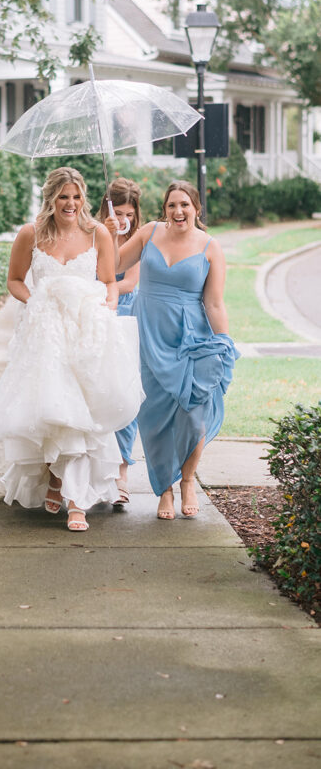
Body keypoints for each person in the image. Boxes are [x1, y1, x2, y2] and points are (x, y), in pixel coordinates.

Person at [0, 166, 144, 531]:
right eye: (63, 197)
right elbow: (14, 281)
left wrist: (105, 311)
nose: (70, 203)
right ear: (51, 198)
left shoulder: (97, 234)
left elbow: (109, 282)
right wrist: (36, 300)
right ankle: (54, 478)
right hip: (43, 333)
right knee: (50, 410)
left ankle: (78, 501)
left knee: (83, 415)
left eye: (75, 197)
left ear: (83, 198)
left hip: (84, 331)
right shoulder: (31, 234)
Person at [109, 180, 238, 520]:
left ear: (196, 208)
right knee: (153, 420)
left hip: (191, 338)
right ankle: (164, 488)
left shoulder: (210, 247)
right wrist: (110, 235)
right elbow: (111, 266)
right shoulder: (149, 233)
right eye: (171, 205)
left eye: (184, 205)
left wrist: (223, 343)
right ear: (163, 209)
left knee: (193, 417)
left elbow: (213, 302)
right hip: (148, 334)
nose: (178, 211)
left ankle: (187, 479)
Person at [97, 178, 142, 506]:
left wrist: (105, 291)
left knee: (126, 396)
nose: (124, 219)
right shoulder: (95, 234)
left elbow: (127, 283)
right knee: (99, 395)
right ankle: (98, 471)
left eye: (130, 213)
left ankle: (123, 470)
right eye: (119, 212)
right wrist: (109, 235)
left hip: (127, 319)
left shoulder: (137, 240)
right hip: (97, 319)